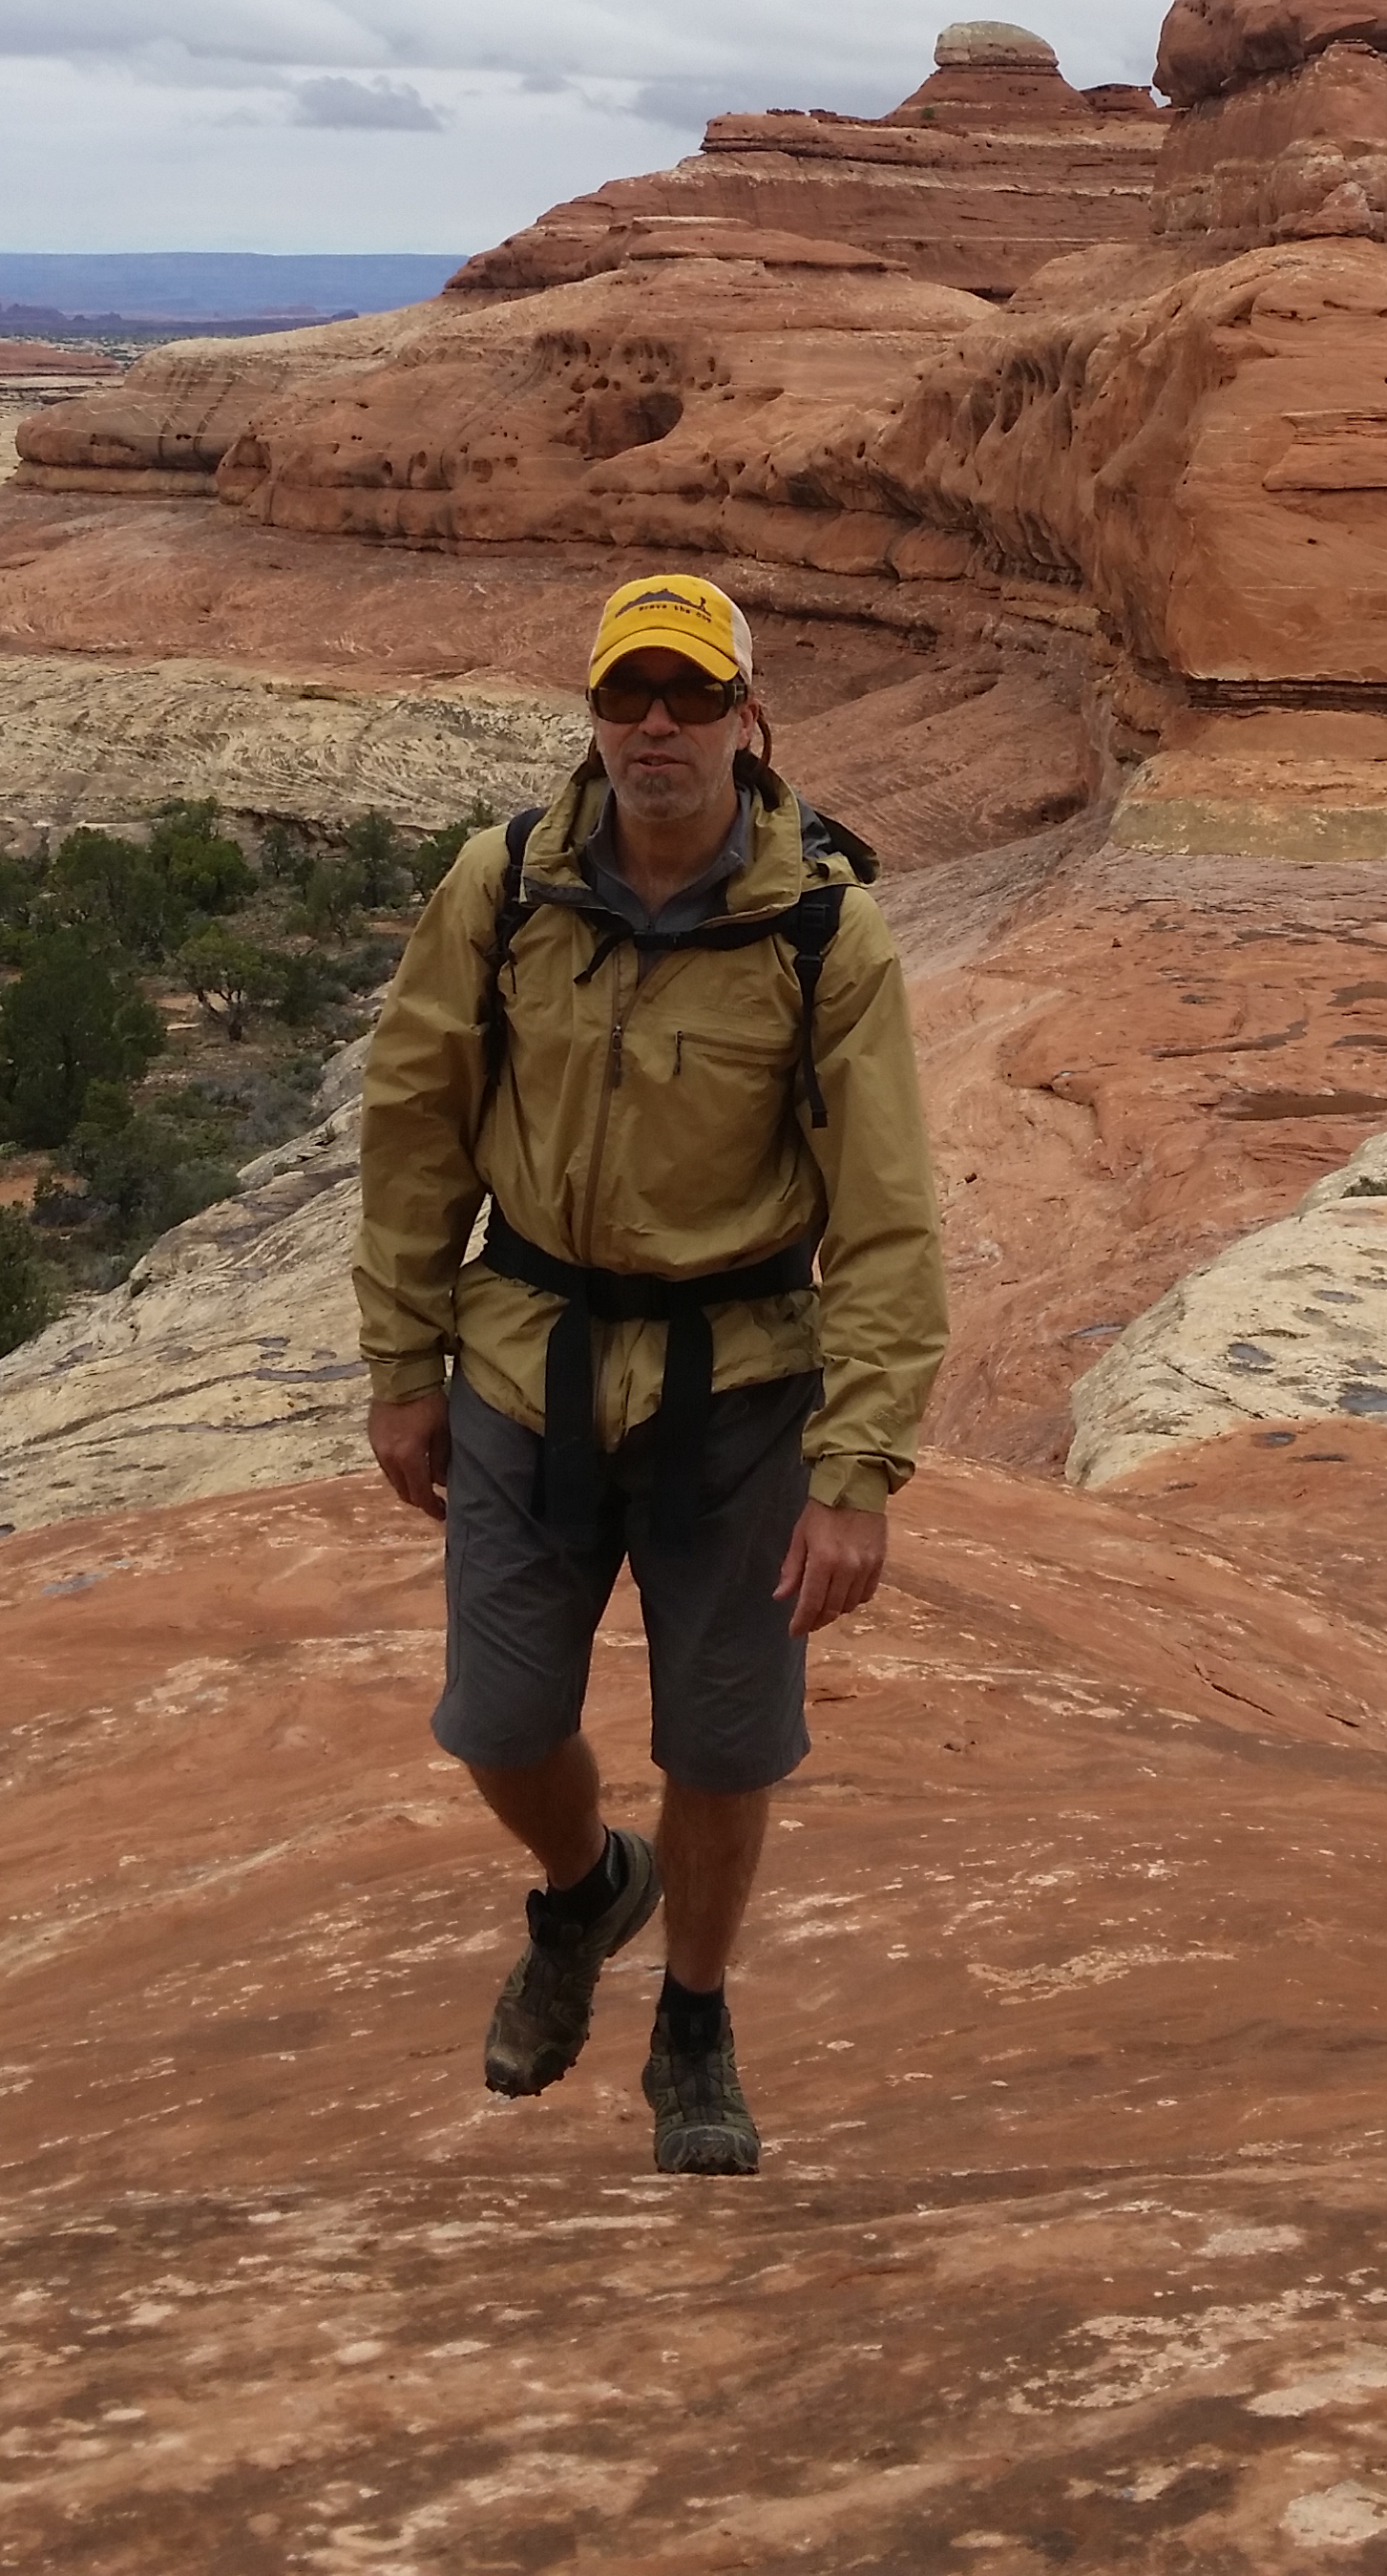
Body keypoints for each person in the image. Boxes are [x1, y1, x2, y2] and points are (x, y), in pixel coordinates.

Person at [355, 569, 949, 2175]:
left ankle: (693, 2019)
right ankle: (584, 1889)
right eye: (629, 695)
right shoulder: (503, 885)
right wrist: (402, 1363)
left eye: (692, 695)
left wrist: (858, 1471)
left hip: (737, 1390)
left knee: (725, 1744)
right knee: (496, 1721)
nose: (658, 725)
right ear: (595, 718)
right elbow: (415, 1127)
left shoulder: (824, 928)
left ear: (753, 723)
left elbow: (885, 1211)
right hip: (525, 1367)